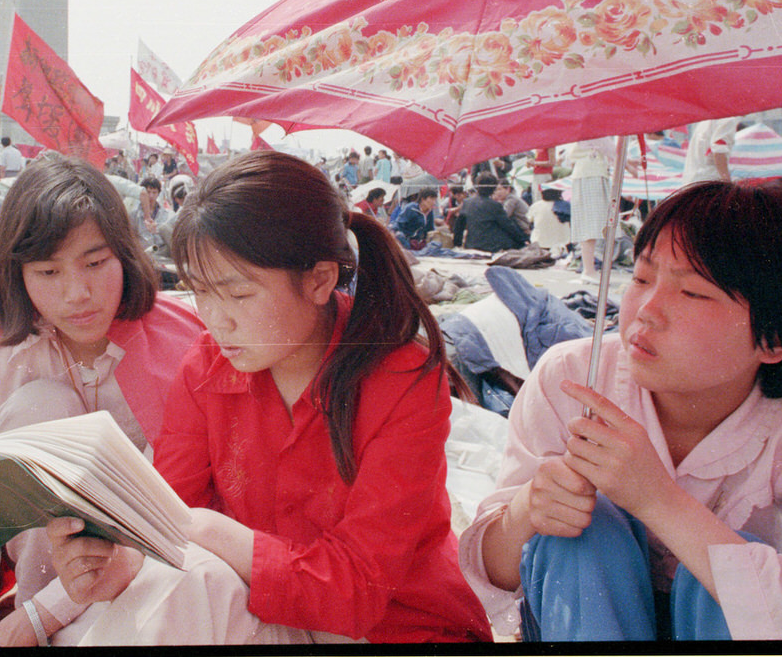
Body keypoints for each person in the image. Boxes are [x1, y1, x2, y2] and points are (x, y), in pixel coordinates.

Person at [35, 149, 490, 645]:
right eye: (201, 292)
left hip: (399, 628)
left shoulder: (401, 377)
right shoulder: (206, 366)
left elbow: (358, 589)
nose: (215, 318)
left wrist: (209, 532)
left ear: (319, 280)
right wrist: (111, 566)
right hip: (270, 614)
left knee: (195, 577)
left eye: (238, 294)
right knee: (181, 581)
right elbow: (164, 526)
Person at [458, 181, 782, 641]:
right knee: (580, 532)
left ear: (779, 339)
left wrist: (659, 501)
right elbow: (491, 573)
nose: (646, 312)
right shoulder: (573, 377)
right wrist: (526, 512)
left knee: (731, 565)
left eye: (693, 293)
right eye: (641, 278)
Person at [0, 152, 205, 648]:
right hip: (44, 587)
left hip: (161, 578)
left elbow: (180, 524)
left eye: (95, 263)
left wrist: (23, 627)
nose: (77, 293)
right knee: (39, 407)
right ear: (19, 274)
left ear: (125, 253)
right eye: (48, 273)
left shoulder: (181, 350)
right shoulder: (2, 360)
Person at [568, 136, 618, 283]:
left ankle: (588, 269)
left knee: (590, 223)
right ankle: (589, 270)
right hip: (591, 174)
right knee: (592, 223)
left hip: (588, 172)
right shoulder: (594, 125)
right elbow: (609, 148)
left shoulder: (584, 125)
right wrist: (627, 165)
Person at [453, 175, 529, 253]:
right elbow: (508, 226)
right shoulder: (495, 205)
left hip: (471, 244)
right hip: (491, 246)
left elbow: (459, 226)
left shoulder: (467, 203)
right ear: (493, 189)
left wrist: (457, 244)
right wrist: (523, 241)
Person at [681, 117, 739, 186]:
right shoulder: (728, 120)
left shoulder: (709, 119)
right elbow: (719, 151)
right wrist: (727, 182)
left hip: (694, 180)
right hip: (709, 181)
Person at [132, 175, 171, 252]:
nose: (151, 196)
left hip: (161, 254)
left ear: (158, 193)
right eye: (148, 192)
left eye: (154, 192)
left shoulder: (166, 214)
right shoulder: (134, 214)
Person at [529, 187, 571, 257]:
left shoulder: (536, 206)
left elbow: (529, 221)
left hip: (540, 244)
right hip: (564, 243)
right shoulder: (566, 205)